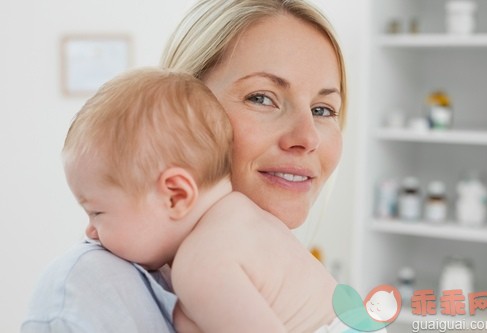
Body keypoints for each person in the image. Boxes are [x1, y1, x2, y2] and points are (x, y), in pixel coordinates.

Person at [22, 0, 349, 332]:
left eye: (323, 109)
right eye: (261, 97)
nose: (307, 137)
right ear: (190, 100)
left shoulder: (227, 261)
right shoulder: (91, 289)